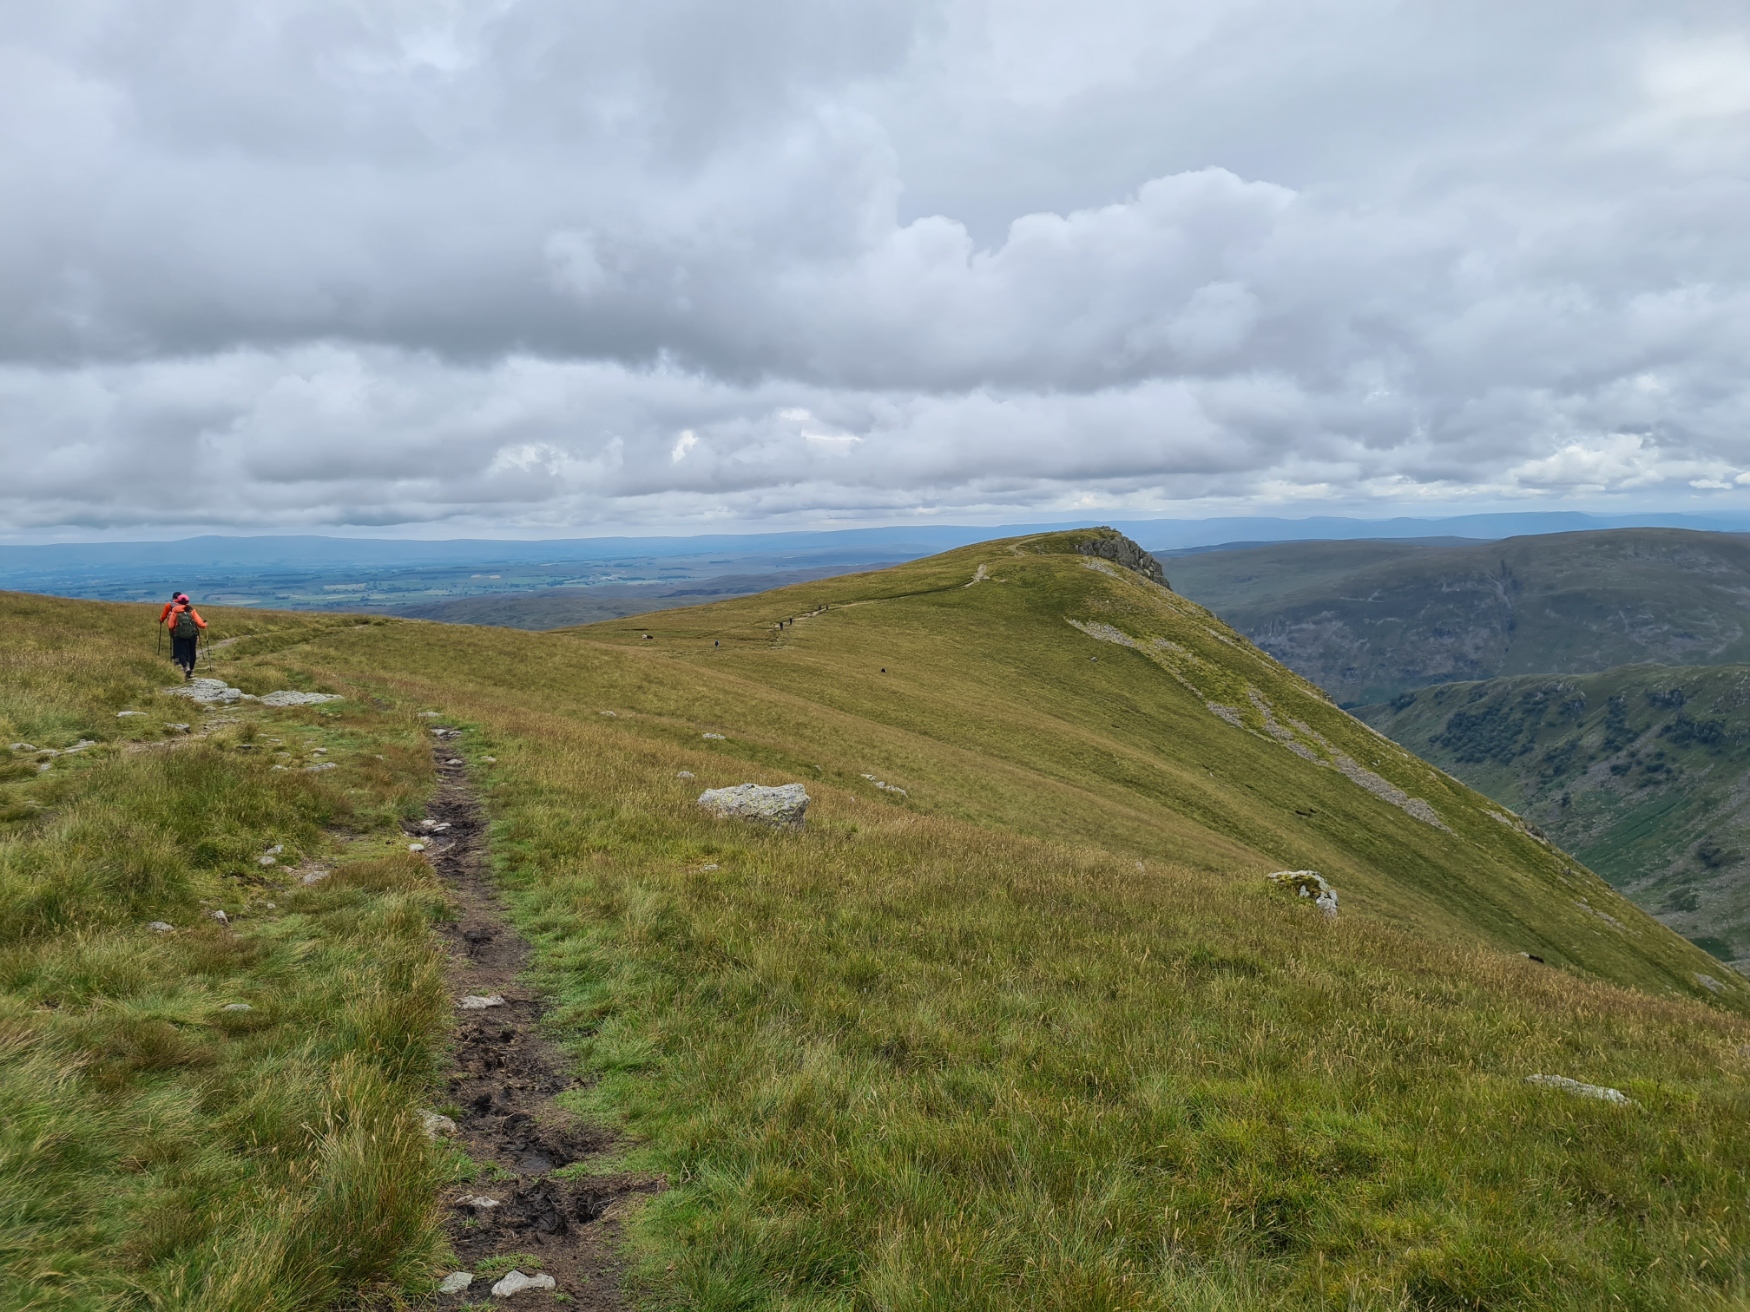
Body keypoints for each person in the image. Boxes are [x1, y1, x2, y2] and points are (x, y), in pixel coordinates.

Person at [158, 591, 207, 680]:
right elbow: (201, 624)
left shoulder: (174, 611)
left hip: (179, 635)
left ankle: (185, 667)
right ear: (187, 602)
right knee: (192, 652)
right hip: (192, 635)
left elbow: (171, 625)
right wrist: (205, 625)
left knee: (180, 652)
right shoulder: (191, 610)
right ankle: (191, 670)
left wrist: (173, 630)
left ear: (178, 601)